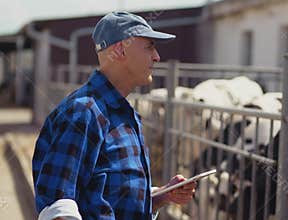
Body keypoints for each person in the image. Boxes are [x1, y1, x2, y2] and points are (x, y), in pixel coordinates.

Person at [32, 11, 196, 220]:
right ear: (120, 50)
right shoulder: (83, 113)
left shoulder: (123, 114)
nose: (156, 57)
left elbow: (109, 197)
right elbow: (57, 206)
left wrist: (160, 196)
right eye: (149, 47)